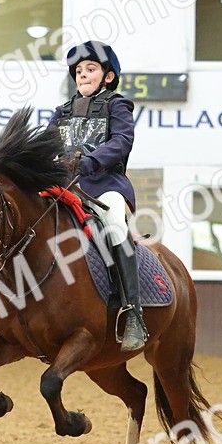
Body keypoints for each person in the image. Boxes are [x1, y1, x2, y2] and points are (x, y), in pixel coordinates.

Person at [47, 40, 145, 352]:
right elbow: (44, 146)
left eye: (91, 69)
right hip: (65, 187)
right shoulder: (60, 113)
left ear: (107, 77)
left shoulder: (118, 106)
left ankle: (133, 314)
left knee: (116, 226)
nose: (83, 75)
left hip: (105, 185)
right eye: (78, 71)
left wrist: (91, 161)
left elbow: (122, 141)